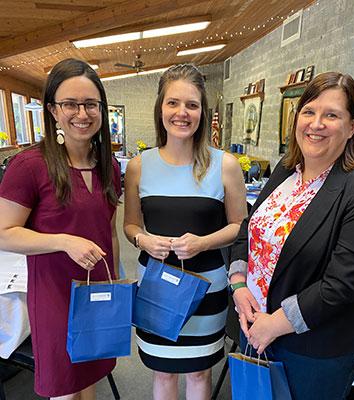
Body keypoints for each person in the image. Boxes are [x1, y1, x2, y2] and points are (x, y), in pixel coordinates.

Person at [228, 72, 354, 400]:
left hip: (313, 349)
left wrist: (273, 325)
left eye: (331, 115)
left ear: (352, 126)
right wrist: (239, 284)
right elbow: (249, 229)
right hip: (254, 324)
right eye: (309, 112)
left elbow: (344, 283)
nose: (316, 123)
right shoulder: (285, 171)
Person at [0, 58, 121, 400]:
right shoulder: (29, 166)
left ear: (101, 108)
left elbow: (107, 230)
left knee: (90, 377)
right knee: (65, 388)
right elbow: (4, 232)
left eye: (90, 104)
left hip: (97, 290)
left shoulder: (108, 166)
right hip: (55, 294)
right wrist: (63, 241)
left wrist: (117, 279)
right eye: (70, 103)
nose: (81, 114)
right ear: (52, 109)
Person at [124, 64, 247, 400]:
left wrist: (203, 242)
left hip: (208, 287)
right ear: (160, 108)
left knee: (199, 372)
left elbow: (240, 225)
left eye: (191, 105)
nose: (182, 113)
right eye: (173, 103)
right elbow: (130, 225)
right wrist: (144, 239)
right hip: (157, 286)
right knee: (162, 372)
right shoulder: (139, 166)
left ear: (201, 113)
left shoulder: (225, 165)